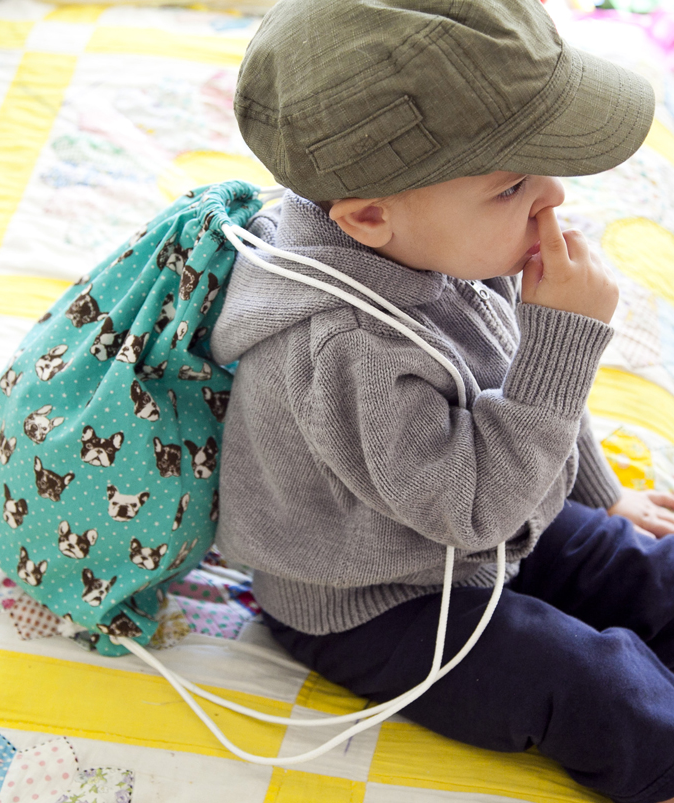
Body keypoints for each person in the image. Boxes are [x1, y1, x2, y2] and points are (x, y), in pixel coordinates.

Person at [210, 0, 674, 799]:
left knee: (646, 570)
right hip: (373, 595)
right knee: (589, 684)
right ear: (366, 217)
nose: (553, 197)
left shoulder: (444, 237)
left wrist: (605, 498)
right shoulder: (341, 346)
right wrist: (563, 343)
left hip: (483, 495)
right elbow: (473, 508)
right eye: (515, 184)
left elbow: (532, 389)